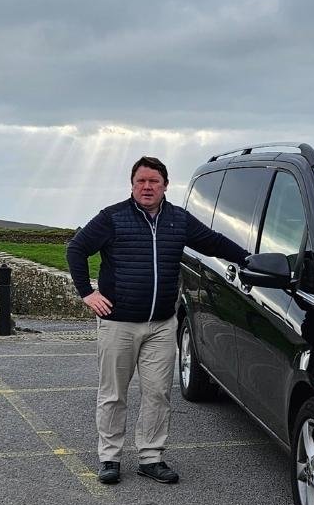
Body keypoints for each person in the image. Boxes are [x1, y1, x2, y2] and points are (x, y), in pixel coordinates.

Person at [67, 156, 248, 485]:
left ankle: (151, 457)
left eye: (154, 181)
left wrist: (248, 259)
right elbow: (76, 249)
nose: (147, 186)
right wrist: (87, 293)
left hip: (162, 325)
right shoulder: (112, 218)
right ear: (132, 185)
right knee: (113, 393)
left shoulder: (179, 220)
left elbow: (213, 242)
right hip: (118, 324)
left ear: (165, 185)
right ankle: (110, 457)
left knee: (158, 393)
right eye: (141, 181)